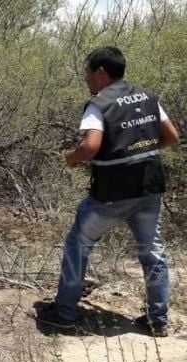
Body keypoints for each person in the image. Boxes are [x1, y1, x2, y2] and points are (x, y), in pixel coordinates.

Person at [37, 46, 180, 337]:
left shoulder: (98, 105)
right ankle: (158, 320)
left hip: (112, 194)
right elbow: (172, 136)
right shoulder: (147, 97)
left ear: (101, 73)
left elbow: (90, 145)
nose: (86, 79)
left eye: (87, 73)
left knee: (78, 244)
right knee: (152, 252)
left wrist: (72, 158)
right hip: (149, 188)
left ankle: (64, 313)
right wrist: (142, 153)